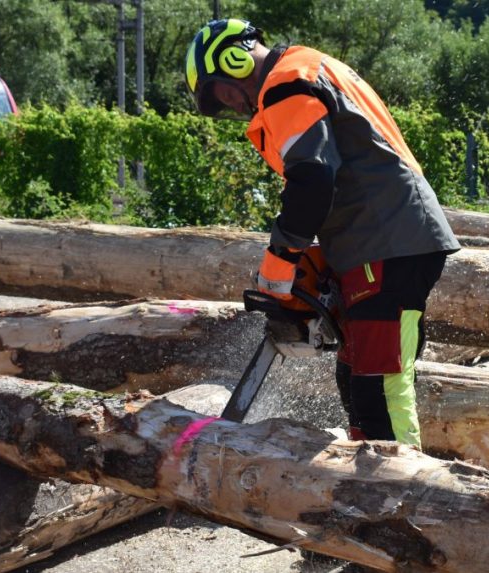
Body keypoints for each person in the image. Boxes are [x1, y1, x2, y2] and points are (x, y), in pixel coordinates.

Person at [184, 19, 460, 447]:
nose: (233, 105)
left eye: (222, 91)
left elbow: (312, 179)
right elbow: (340, 172)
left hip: (387, 239)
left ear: (235, 60)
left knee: (379, 386)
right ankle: (369, 485)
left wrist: (281, 261)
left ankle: (400, 494)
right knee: (355, 378)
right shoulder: (308, 69)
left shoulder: (285, 82)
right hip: (379, 237)